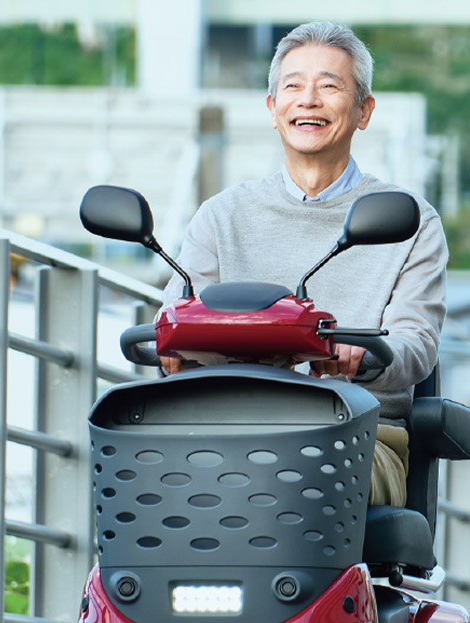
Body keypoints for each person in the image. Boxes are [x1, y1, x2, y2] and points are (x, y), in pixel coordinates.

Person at [160, 21, 446, 507]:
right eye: (292, 86)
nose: (308, 99)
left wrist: (364, 357)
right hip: (227, 427)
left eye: (329, 86)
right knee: (140, 465)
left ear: (364, 110)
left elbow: (415, 343)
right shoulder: (220, 215)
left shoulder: (408, 220)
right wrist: (171, 343)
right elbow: (176, 316)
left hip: (357, 436)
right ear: (273, 109)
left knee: (294, 469)